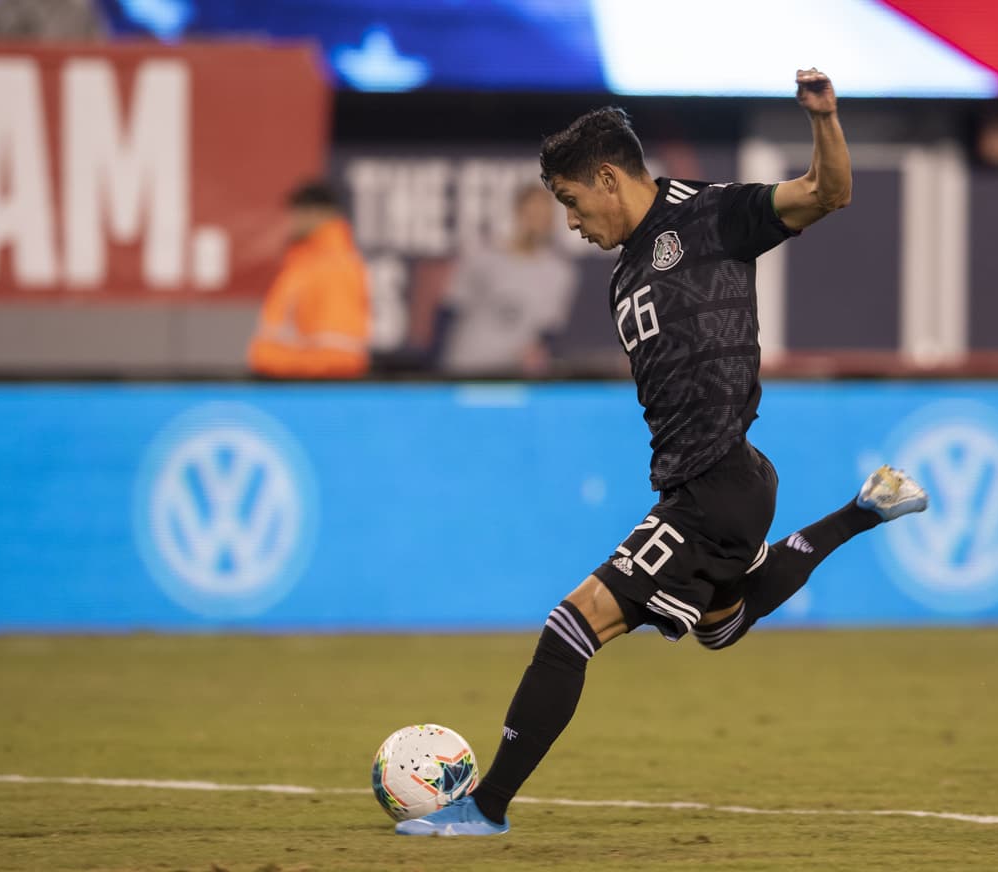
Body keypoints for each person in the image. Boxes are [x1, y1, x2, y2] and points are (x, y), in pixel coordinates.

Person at [396, 69, 929, 837]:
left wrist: (825, 117)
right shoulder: (622, 279)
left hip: (713, 488)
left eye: (573, 202)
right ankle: (863, 510)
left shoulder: (713, 216)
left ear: (608, 178)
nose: (572, 224)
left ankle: (485, 809)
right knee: (721, 624)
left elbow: (827, 192)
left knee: (569, 628)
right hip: (723, 484)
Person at [439, 184, 576, 377]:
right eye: (532, 214)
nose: (537, 223)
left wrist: (538, 354)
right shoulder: (481, 255)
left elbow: (548, 330)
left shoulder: (559, 272)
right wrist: (434, 371)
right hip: (465, 366)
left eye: (544, 216)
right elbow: (449, 311)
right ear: (517, 212)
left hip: (515, 375)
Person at [248, 181, 371, 379]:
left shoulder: (333, 266)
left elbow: (339, 353)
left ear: (318, 213)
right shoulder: (305, 262)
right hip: (294, 382)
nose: (292, 221)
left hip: (312, 389)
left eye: (297, 213)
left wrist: (274, 364)